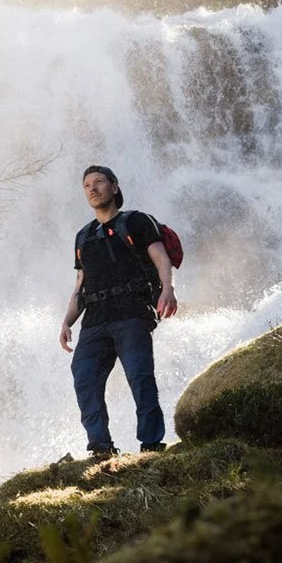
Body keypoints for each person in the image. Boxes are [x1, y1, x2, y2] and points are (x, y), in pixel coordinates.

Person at [61, 163, 179, 457]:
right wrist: (66, 322)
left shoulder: (136, 222)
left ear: (114, 187)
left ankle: (151, 444)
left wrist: (168, 289)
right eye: (87, 185)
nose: (92, 188)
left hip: (131, 313)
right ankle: (100, 447)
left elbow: (160, 258)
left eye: (99, 182)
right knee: (84, 377)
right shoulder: (83, 237)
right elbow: (80, 285)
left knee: (140, 376)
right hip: (94, 320)